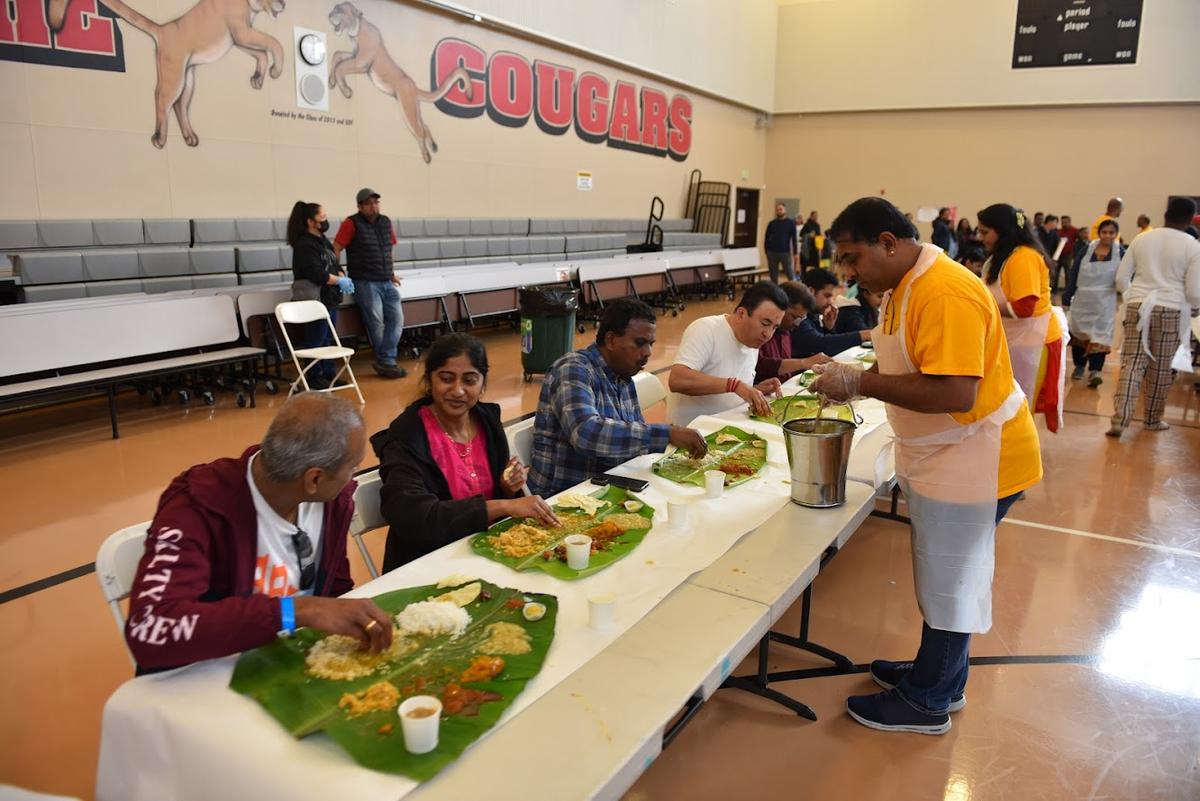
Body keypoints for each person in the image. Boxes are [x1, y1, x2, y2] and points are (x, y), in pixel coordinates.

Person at [811, 197, 1042, 734]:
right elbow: (910, 359)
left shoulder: (943, 291)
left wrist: (860, 382)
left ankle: (929, 701)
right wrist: (862, 369)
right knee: (943, 575)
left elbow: (957, 391)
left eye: (852, 258)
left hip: (979, 456)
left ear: (888, 243)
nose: (848, 272)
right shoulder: (903, 285)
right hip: (949, 452)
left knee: (952, 581)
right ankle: (936, 674)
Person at [124, 394, 392, 672]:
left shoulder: (330, 502)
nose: (353, 477)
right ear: (314, 479)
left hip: (294, 662)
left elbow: (334, 588)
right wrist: (295, 611)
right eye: (353, 467)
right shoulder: (198, 505)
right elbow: (149, 628)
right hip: (214, 672)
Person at [371, 334, 559, 570]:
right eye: (446, 379)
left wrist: (506, 488)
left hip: (490, 551)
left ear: (482, 385)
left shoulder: (487, 422)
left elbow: (498, 498)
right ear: (430, 380)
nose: (458, 391)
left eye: (470, 380)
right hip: (430, 563)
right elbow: (415, 517)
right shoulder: (406, 438)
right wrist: (502, 505)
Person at [529, 299, 707, 495]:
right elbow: (586, 433)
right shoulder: (573, 369)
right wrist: (668, 433)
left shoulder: (623, 375)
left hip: (609, 488)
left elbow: (632, 441)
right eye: (640, 343)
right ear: (611, 340)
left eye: (650, 344)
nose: (648, 352)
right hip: (565, 499)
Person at [1108, 197, 1200, 437]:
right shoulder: (1192, 246)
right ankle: (1152, 419)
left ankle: (1120, 418)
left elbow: (1120, 279)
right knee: (1160, 368)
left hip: (1137, 305)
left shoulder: (1142, 238)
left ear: (1165, 214)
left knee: (1132, 363)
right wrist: (1195, 308)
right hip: (1171, 309)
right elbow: (1193, 292)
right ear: (1190, 219)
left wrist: (1132, 298)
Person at [978, 203, 1066, 433]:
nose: (981, 237)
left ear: (1003, 230)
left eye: (985, 231)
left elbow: (1025, 307)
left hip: (1032, 344)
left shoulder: (1023, 257)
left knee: (1020, 406)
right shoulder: (1004, 257)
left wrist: (981, 303)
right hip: (1016, 341)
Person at [667, 281, 789, 424]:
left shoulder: (752, 341)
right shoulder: (706, 329)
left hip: (733, 424)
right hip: (695, 431)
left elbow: (729, 392)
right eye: (765, 323)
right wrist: (735, 385)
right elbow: (677, 380)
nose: (768, 334)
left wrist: (754, 391)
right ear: (741, 314)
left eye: (774, 327)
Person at [333, 188, 406, 379]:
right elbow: (337, 247)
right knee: (376, 322)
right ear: (360, 206)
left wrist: (391, 273)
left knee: (397, 320)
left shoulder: (385, 222)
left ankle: (385, 360)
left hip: (385, 280)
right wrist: (337, 272)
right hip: (364, 281)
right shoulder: (351, 223)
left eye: (376, 202)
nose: (373, 206)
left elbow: (389, 249)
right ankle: (388, 361)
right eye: (368, 203)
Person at [287, 201, 353, 389]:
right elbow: (315, 273)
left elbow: (333, 262)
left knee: (327, 338)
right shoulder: (304, 244)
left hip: (329, 298)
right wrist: (338, 280)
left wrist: (341, 275)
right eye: (322, 217)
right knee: (316, 339)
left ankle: (329, 374)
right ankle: (314, 376)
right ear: (310, 221)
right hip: (316, 299)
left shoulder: (323, 240)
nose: (326, 220)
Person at [1067, 219, 1123, 386]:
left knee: (1101, 336)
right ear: (1099, 233)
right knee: (1079, 335)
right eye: (1104, 232)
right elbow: (1074, 271)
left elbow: (1126, 275)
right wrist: (1068, 293)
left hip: (1105, 302)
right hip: (1083, 300)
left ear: (1115, 234)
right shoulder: (1087, 250)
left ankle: (1095, 371)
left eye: (1111, 232)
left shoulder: (1121, 252)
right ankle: (1079, 366)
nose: (1107, 235)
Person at [754, 282, 832, 384]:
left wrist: (810, 366)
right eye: (794, 317)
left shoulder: (786, 331)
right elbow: (759, 365)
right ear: (780, 306)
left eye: (801, 319)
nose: (797, 324)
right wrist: (804, 362)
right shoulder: (761, 331)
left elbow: (785, 371)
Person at [792, 267, 871, 356]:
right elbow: (820, 344)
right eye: (827, 296)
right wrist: (862, 335)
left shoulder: (814, 315)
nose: (830, 301)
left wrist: (828, 328)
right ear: (811, 291)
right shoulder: (797, 316)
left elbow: (827, 350)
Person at [763, 203, 798, 283]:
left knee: (790, 273)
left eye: (781, 209)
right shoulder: (772, 223)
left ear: (785, 210)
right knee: (773, 275)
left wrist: (795, 253)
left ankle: (795, 289)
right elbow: (767, 237)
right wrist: (766, 250)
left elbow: (794, 238)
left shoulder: (790, 223)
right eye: (777, 210)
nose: (779, 211)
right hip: (772, 252)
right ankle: (775, 291)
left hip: (785, 252)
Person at [1053, 214, 1079, 292]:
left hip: (1068, 255)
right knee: (1056, 273)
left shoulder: (1075, 231)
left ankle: (1068, 289)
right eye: (1063, 222)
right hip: (1059, 255)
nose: (1065, 224)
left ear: (1070, 222)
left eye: (1066, 222)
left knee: (1068, 273)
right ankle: (1054, 289)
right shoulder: (1058, 231)